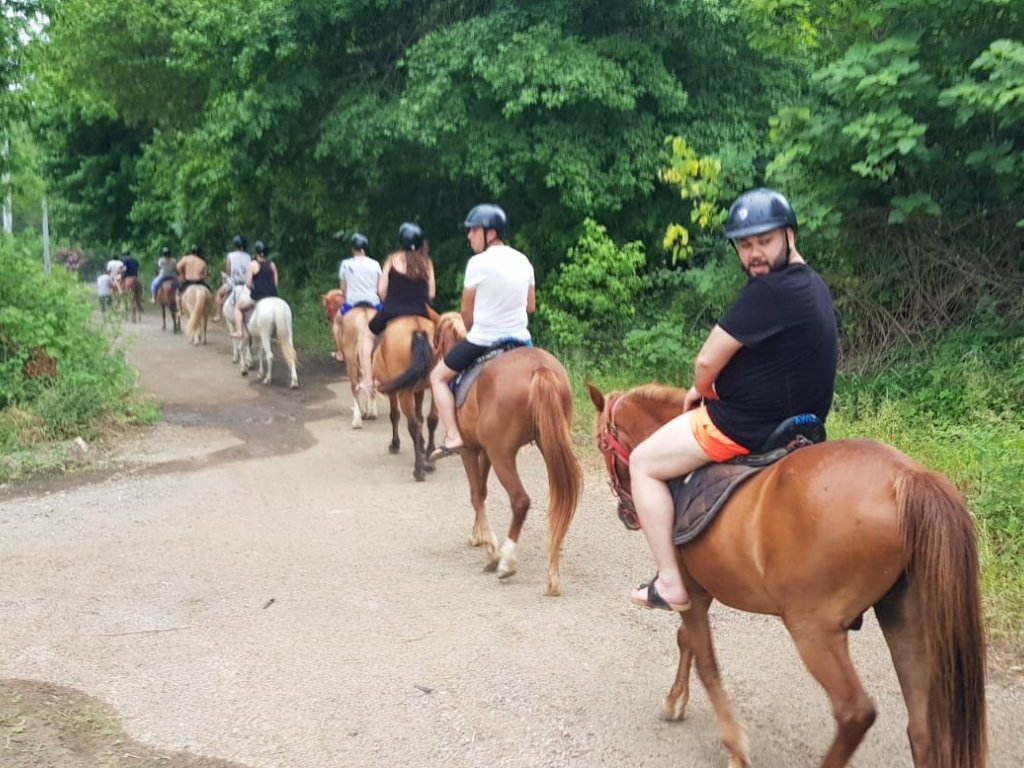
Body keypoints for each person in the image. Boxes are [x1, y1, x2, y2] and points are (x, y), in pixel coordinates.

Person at [627, 187, 839, 612]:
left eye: (764, 241)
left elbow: (706, 360)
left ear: (789, 236)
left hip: (745, 425)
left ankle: (670, 583)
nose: (754, 254)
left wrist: (702, 391)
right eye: (745, 245)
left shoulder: (768, 292)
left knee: (643, 463)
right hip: (804, 422)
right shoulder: (810, 284)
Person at [428, 204, 535, 460]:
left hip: (483, 339)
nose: (469, 236)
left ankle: (453, 436)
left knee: (437, 377)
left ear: (491, 233)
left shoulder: (477, 263)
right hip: (522, 340)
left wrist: (475, 327)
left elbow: (466, 315)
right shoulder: (524, 261)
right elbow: (530, 307)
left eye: (473, 230)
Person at [360, 223, 436, 390]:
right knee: (444, 336)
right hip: (422, 312)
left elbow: (381, 290)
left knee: (367, 336)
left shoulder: (393, 259)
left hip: (393, 310)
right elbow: (431, 293)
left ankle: (368, 379)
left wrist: (391, 299)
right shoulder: (427, 262)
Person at [335, 233, 382, 361]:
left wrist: (346, 297)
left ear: (352, 249)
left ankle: (340, 353)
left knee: (337, 322)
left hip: (351, 303)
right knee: (388, 323)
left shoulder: (345, 264)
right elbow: (380, 288)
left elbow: (343, 288)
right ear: (365, 248)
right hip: (374, 303)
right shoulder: (375, 264)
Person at [230, 240, 278, 337]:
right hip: (273, 295)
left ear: (257, 252)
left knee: (237, 307)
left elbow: (248, 283)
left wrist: (254, 287)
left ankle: (239, 331)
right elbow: (275, 283)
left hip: (258, 295)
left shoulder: (253, 264)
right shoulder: (272, 265)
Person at [214, 235, 251, 322]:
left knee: (219, 294)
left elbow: (228, 271)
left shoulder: (230, 256)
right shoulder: (249, 256)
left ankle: (218, 315)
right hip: (246, 283)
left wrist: (226, 276)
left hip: (233, 283)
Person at [176, 244, 210, 309]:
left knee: (177, 293)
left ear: (192, 251)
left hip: (188, 282)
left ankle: (180, 310)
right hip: (200, 282)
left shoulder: (185, 258)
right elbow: (205, 276)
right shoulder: (203, 262)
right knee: (209, 292)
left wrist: (182, 275)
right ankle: (209, 309)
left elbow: (178, 267)